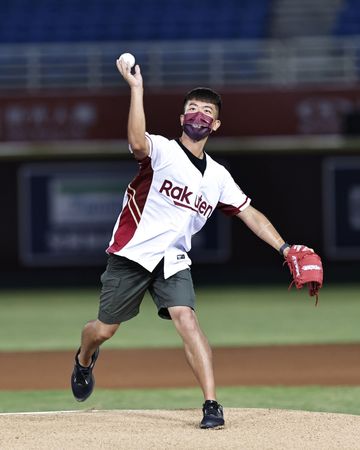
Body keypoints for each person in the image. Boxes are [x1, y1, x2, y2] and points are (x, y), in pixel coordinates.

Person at [71, 57, 308, 429]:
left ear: (215, 125)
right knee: (104, 330)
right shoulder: (163, 151)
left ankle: (212, 404)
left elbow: (250, 214)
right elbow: (136, 140)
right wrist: (137, 90)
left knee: (187, 320)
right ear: (182, 118)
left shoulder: (218, 176)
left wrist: (285, 247)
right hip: (132, 253)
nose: (197, 115)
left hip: (173, 259)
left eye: (206, 111)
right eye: (191, 109)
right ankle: (84, 358)